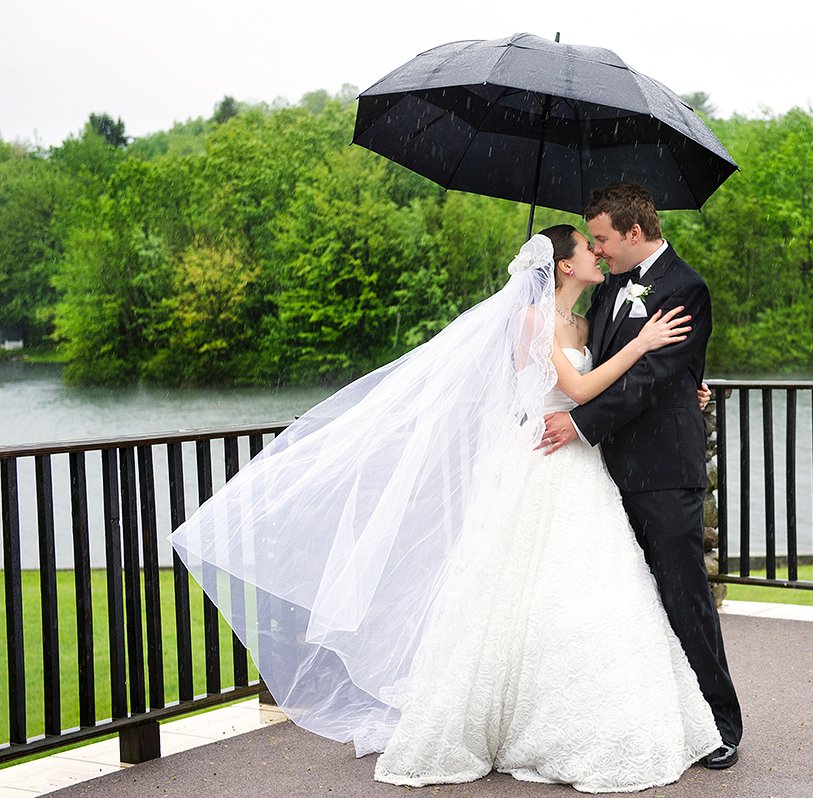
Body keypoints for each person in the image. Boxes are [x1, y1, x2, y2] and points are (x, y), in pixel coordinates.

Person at [170, 224, 722, 793]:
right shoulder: (530, 321)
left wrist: (685, 388)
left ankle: (586, 712)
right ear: (563, 265)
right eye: (588, 248)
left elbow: (610, 382)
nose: (598, 255)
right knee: (514, 598)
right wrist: (642, 344)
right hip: (543, 463)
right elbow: (579, 393)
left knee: (590, 595)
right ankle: (500, 720)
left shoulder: (589, 317)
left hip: (585, 469)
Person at [541, 182, 743, 769]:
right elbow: (602, 367)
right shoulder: (603, 294)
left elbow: (652, 375)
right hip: (601, 478)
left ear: (634, 232)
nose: (598, 251)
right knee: (618, 604)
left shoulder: (685, 287)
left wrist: (580, 423)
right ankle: (643, 723)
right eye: (592, 242)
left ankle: (720, 724)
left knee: (684, 597)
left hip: (662, 471)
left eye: (603, 238)